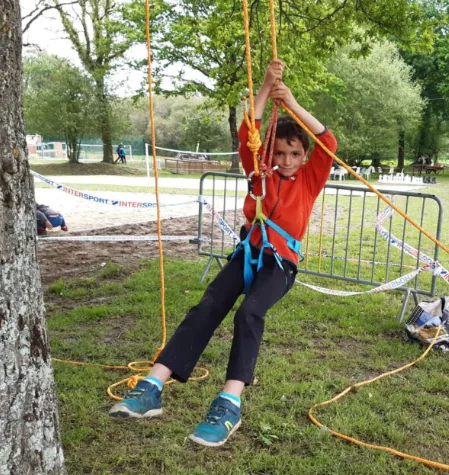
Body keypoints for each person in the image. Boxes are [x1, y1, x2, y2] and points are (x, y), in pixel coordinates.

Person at [108, 59, 337, 447]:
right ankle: (152, 387)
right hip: (248, 254)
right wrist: (265, 87)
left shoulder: (310, 179)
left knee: (250, 313)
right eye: (279, 153)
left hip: (280, 265)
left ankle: (229, 403)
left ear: (303, 156)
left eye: (294, 154)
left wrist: (292, 102)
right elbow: (250, 129)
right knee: (208, 306)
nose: (285, 161)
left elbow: (328, 141)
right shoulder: (258, 170)